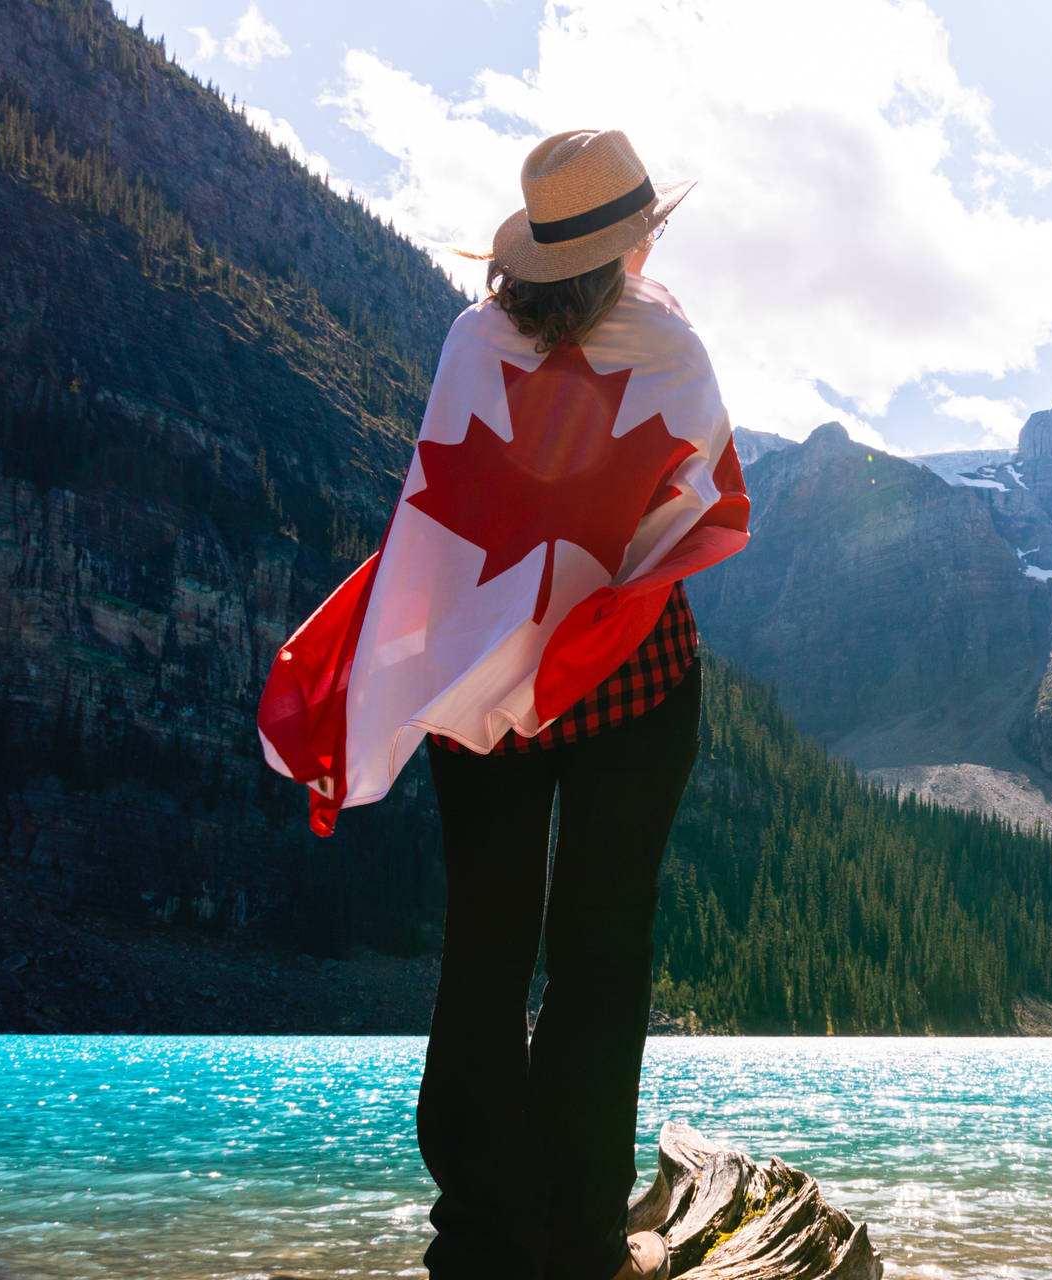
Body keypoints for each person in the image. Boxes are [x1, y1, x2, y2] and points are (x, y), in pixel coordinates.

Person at [408, 129, 727, 1280]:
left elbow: (441, 519)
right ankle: (583, 1234)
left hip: (480, 684)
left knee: (484, 944)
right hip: (630, 680)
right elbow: (698, 504)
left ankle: (478, 1236)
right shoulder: (668, 340)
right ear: (634, 236)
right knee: (602, 954)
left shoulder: (467, 340)